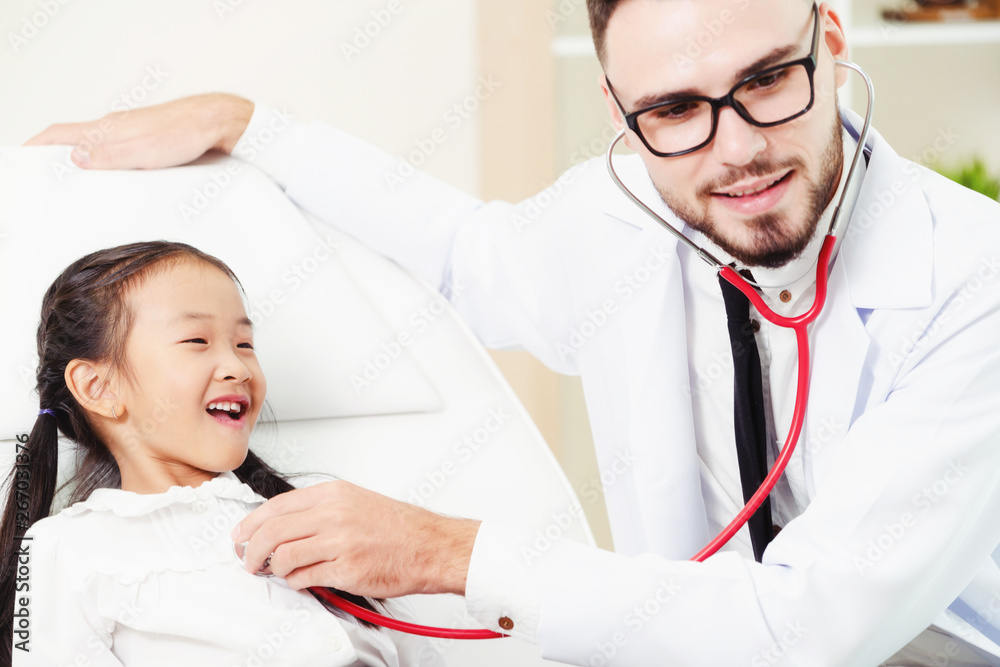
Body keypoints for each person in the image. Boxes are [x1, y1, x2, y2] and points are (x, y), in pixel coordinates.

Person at [25, 0, 1000, 664]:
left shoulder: (972, 281)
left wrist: (445, 552)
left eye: (770, 79)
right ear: (620, 112)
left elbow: (812, 629)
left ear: (830, 40)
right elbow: (462, 254)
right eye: (673, 109)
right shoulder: (615, 218)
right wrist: (247, 123)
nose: (737, 147)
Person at [0, 241, 435, 666]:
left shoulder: (318, 505)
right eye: (196, 340)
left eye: (245, 344)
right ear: (100, 388)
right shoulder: (65, 549)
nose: (239, 368)